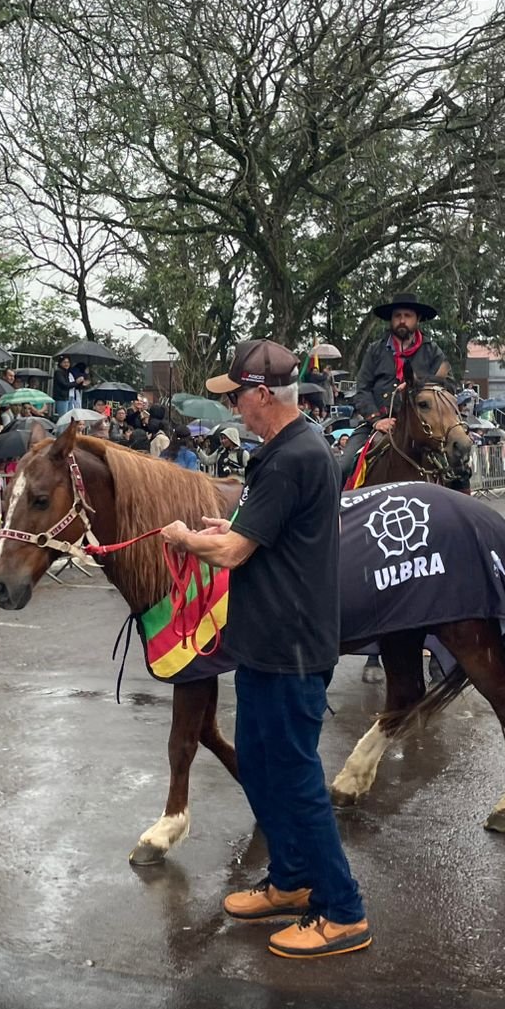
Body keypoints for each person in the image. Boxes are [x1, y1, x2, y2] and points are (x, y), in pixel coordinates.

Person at [160, 339, 370, 959]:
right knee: (259, 760)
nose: (234, 411)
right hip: (266, 641)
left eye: (237, 398)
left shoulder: (289, 459)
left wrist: (184, 536)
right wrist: (230, 527)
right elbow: (261, 535)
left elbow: (231, 556)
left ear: (261, 395)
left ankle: (343, 909)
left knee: (296, 777)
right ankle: (290, 879)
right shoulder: (288, 450)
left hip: (289, 644)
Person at [345, 290, 451, 479]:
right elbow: (362, 389)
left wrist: (417, 384)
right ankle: (340, 508)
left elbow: (449, 385)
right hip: (378, 422)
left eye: (407, 316)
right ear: (391, 320)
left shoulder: (432, 351)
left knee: (457, 467)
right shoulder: (375, 350)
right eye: (397, 316)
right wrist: (376, 419)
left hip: (422, 426)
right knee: (343, 466)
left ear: (417, 319)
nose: (402, 320)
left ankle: (459, 507)